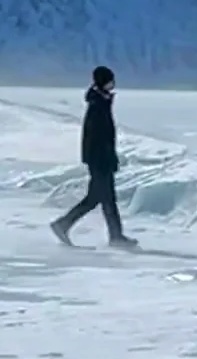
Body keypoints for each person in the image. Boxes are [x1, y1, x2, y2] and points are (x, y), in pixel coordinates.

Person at [50, 66, 138, 249]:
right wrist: (103, 159)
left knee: (101, 198)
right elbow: (95, 137)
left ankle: (114, 235)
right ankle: (65, 225)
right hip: (99, 160)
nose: (113, 84)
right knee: (102, 198)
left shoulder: (101, 101)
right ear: (104, 81)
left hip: (101, 159)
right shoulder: (97, 104)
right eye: (111, 80)